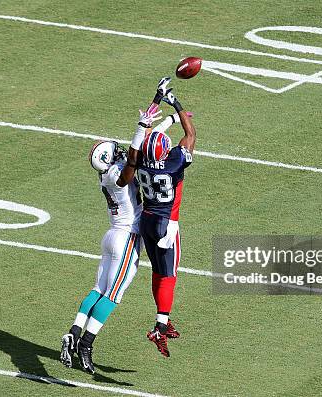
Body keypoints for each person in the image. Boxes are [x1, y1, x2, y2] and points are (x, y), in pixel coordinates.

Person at [60, 78, 175, 373]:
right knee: (112, 295)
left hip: (112, 235)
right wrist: (144, 125)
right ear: (111, 159)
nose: (122, 151)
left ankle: (72, 334)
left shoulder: (106, 175)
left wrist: (159, 106)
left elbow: (142, 150)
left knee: (98, 289)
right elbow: (135, 158)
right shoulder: (117, 176)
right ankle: (86, 345)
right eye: (116, 151)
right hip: (125, 238)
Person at [136, 84, 196, 357]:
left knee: (157, 272)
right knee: (169, 274)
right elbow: (190, 133)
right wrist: (176, 104)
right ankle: (160, 326)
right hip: (166, 224)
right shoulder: (174, 161)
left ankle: (163, 320)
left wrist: (157, 99)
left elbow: (146, 132)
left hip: (146, 220)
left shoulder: (138, 159)